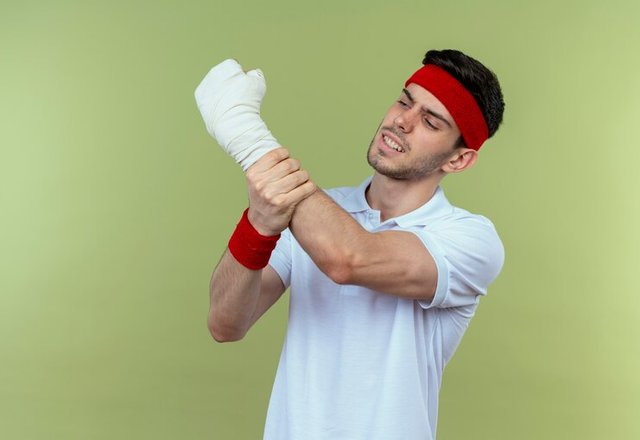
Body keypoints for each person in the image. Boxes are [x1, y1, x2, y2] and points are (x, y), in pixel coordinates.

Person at [196, 49, 506, 440]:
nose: (401, 122)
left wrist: (243, 132)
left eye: (430, 121)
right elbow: (225, 323)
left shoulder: (469, 239)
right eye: (404, 101)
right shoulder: (318, 213)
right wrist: (259, 222)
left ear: (459, 160)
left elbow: (348, 259)